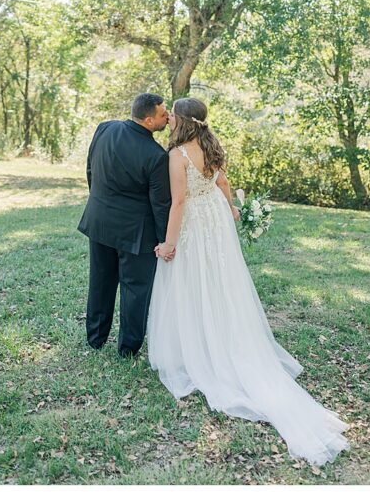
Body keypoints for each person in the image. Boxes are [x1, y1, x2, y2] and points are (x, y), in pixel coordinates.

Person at [146, 97, 348, 466]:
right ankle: (219, 334)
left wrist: (169, 244)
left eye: (173, 114)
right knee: (220, 281)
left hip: (194, 221)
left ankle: (201, 346)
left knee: (194, 282)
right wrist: (231, 208)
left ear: (181, 120)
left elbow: (178, 203)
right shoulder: (212, 143)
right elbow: (223, 180)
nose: (169, 118)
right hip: (216, 220)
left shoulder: (177, 155)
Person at [78, 92, 171, 357]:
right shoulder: (157, 156)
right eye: (163, 113)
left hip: (99, 222)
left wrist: (100, 203)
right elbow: (160, 205)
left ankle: (95, 338)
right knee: (135, 289)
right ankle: (128, 349)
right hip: (136, 233)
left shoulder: (104, 128)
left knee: (100, 281)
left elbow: (90, 171)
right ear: (149, 120)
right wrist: (165, 240)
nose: (167, 117)